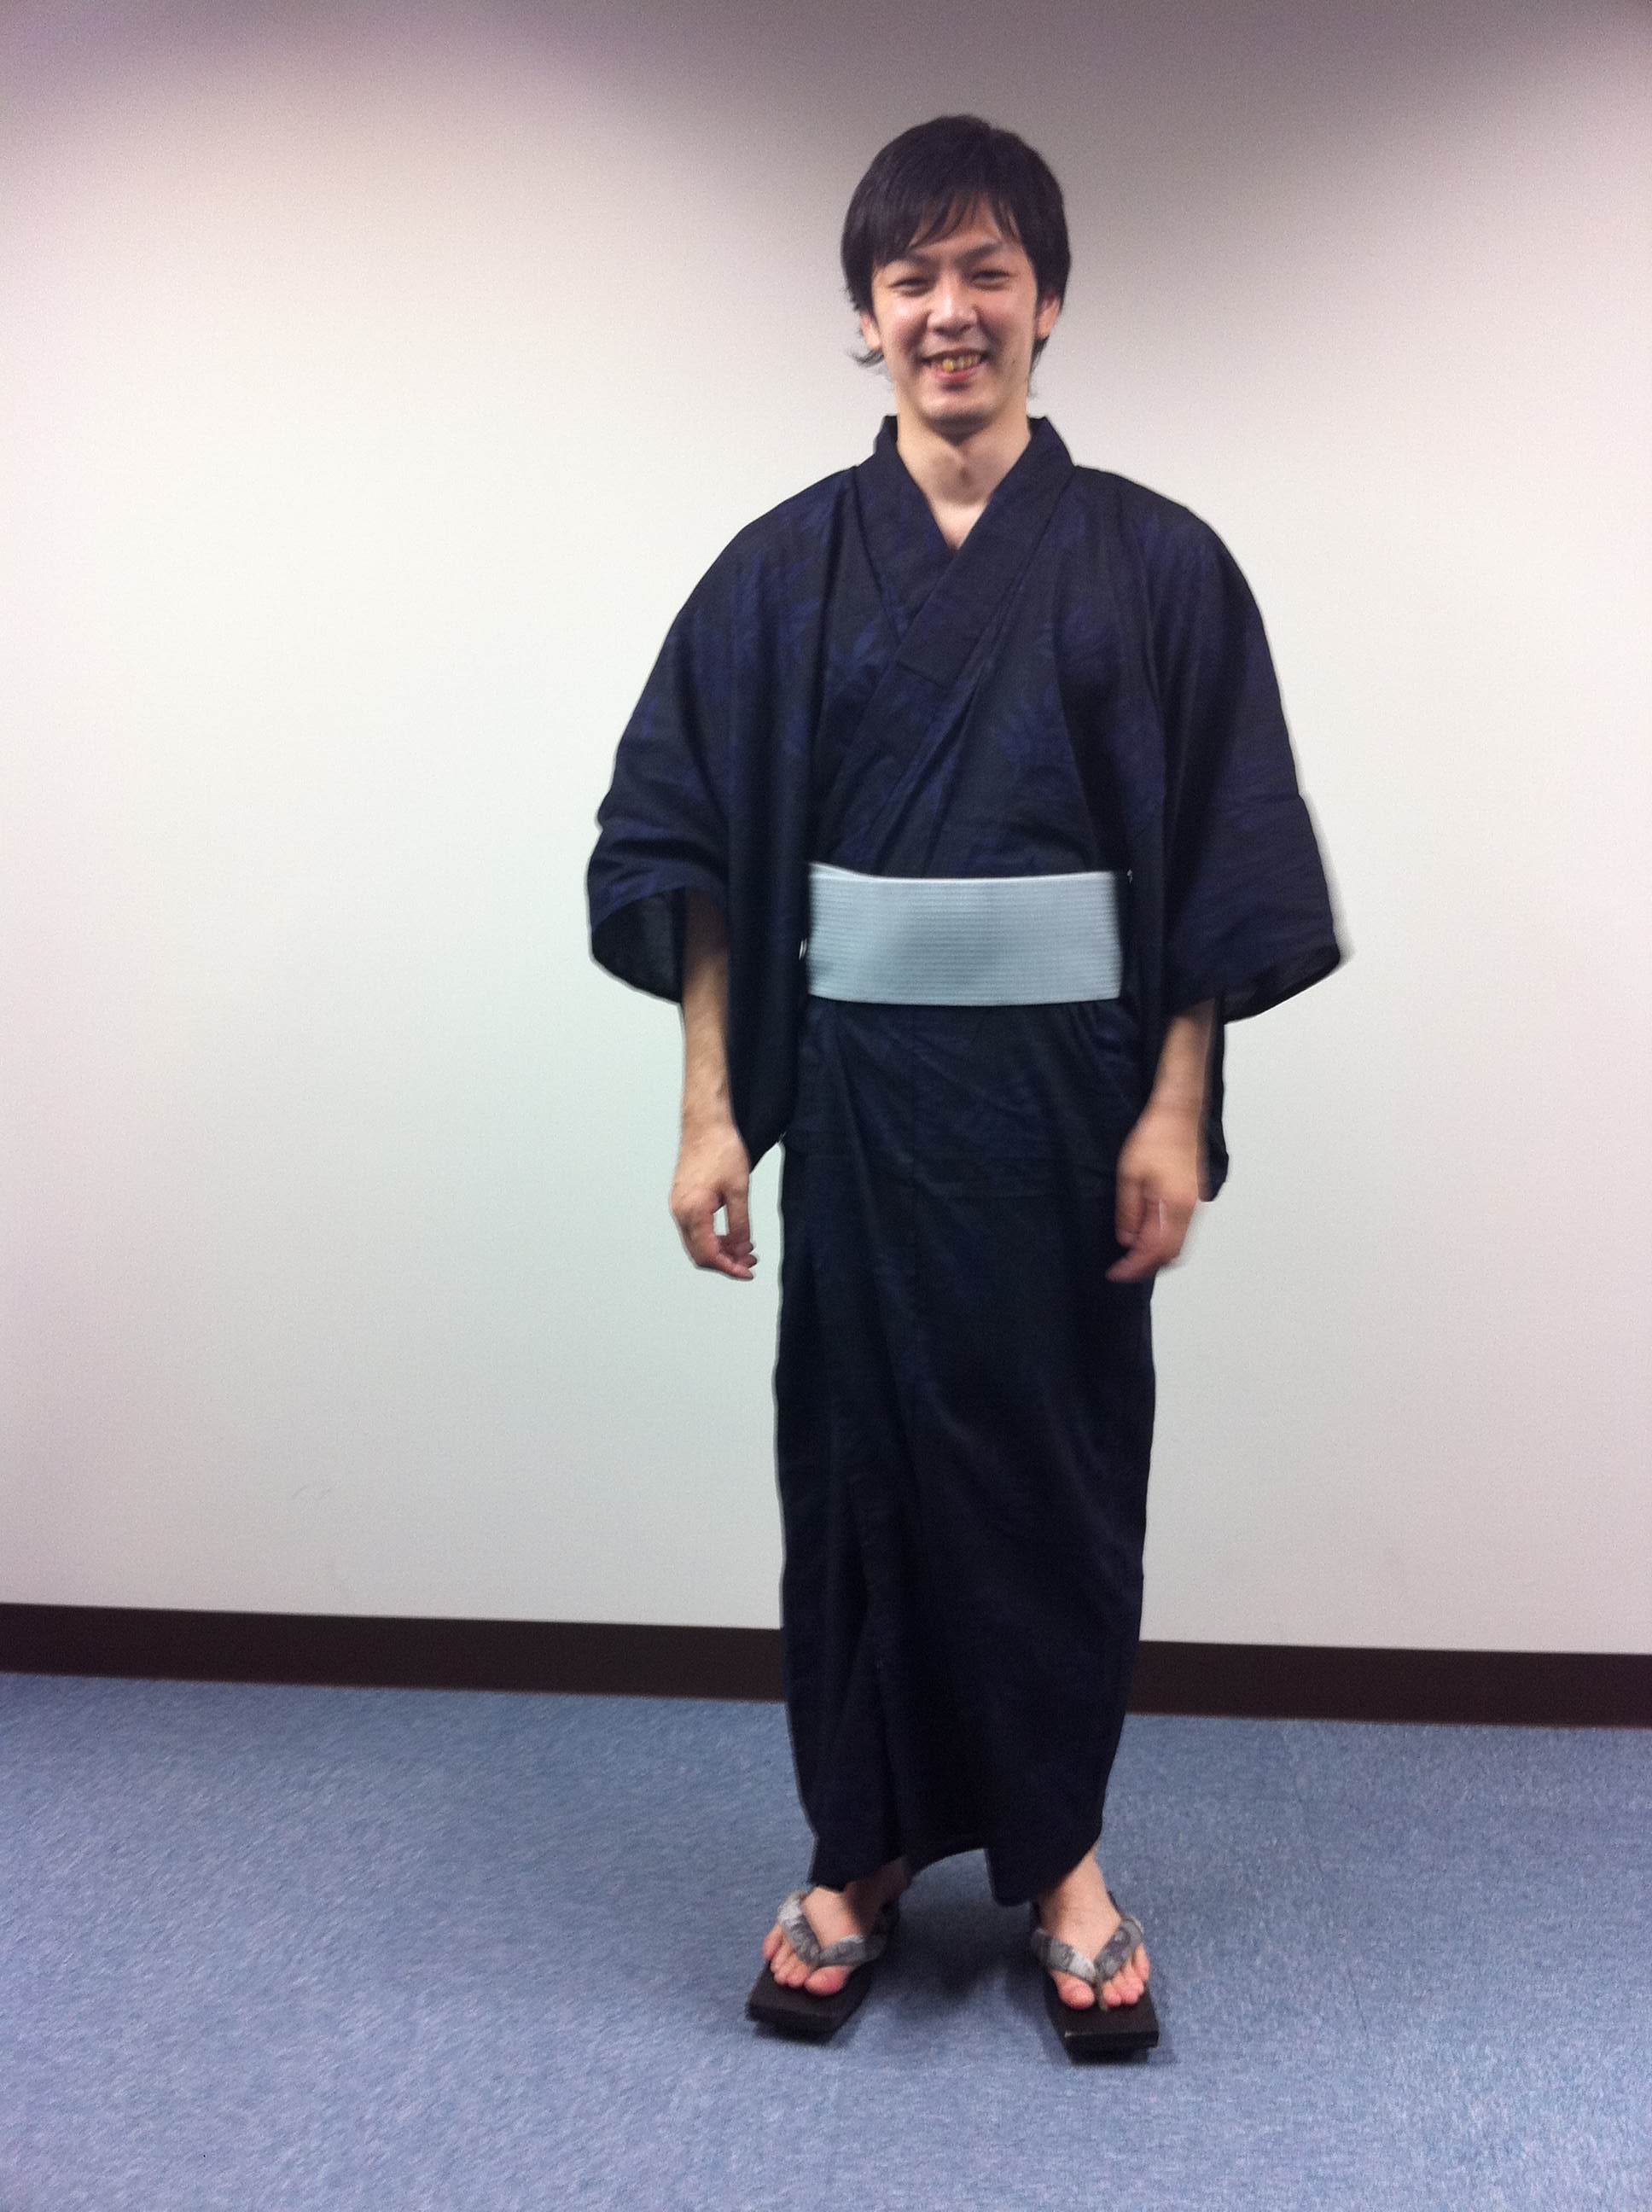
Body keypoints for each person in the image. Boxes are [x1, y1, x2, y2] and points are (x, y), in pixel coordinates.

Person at [586, 114, 1343, 2046]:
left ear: (1047, 303)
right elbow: (682, 844)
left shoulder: (1159, 567)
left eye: (987, 272)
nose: (950, 310)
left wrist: (1173, 1104)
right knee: (857, 1469)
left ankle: (1062, 1855)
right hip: (862, 1103)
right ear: (865, 315)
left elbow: (1223, 852)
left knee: (1057, 1476)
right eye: (911, 277)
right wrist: (708, 1110)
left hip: (1068, 1109)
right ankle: (856, 1853)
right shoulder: (779, 574)